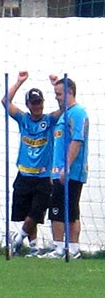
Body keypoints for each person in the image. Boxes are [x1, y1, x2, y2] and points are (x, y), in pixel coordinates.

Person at [2, 72, 62, 257]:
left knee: (36, 211)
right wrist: (19, 82)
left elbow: (66, 107)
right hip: (24, 173)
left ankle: (18, 239)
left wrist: (55, 86)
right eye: (34, 103)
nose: (37, 106)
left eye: (40, 103)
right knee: (26, 211)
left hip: (43, 176)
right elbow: (5, 101)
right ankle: (34, 246)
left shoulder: (49, 120)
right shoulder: (23, 119)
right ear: (28, 105)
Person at [41, 77, 89, 259]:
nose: (56, 98)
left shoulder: (77, 113)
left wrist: (66, 167)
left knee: (60, 209)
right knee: (67, 208)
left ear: (69, 93)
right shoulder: (65, 113)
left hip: (70, 172)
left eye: (59, 94)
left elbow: (77, 140)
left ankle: (62, 247)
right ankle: (70, 248)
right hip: (60, 170)